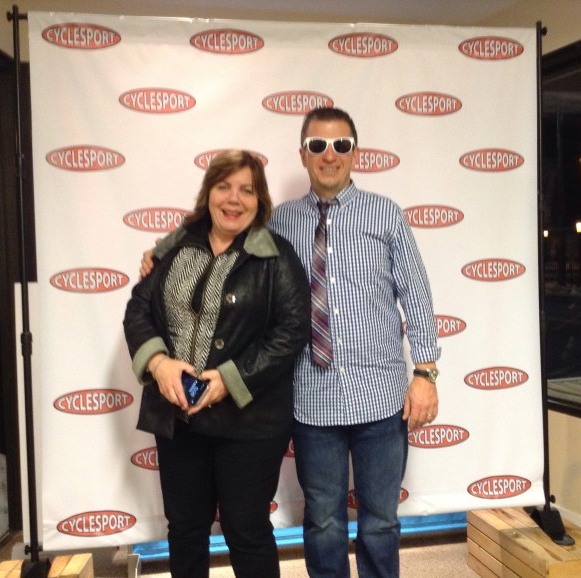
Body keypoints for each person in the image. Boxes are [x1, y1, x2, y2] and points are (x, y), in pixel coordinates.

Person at [141, 107, 440, 578]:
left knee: (381, 523)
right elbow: (217, 233)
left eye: (341, 145)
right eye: (318, 145)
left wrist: (425, 373)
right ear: (303, 154)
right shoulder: (277, 224)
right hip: (311, 401)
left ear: (356, 153)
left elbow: (417, 296)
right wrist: (160, 251)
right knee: (322, 522)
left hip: (381, 398)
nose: (329, 155)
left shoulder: (386, 215)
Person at [123, 150, 311, 578]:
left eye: (247, 190)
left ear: (260, 200)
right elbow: (138, 309)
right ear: (208, 192)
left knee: (246, 530)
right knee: (185, 530)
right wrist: (159, 364)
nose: (234, 199)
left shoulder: (276, 256)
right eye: (224, 186)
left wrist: (230, 380)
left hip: (250, 423)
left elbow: (292, 330)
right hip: (179, 417)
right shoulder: (174, 246)